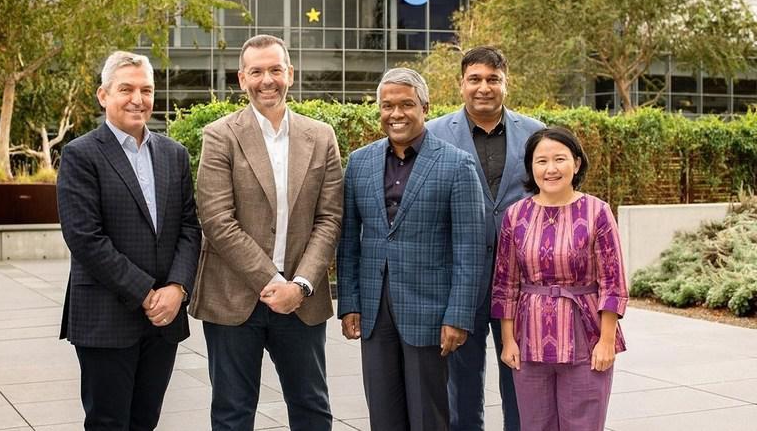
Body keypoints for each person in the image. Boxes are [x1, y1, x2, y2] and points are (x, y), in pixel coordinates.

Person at [189, 35, 343, 431]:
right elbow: (217, 220)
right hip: (233, 298)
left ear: (290, 74)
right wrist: (273, 281)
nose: (266, 80)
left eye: (275, 69)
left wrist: (300, 285)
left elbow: (329, 218)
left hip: (301, 300)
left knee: (312, 409)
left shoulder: (321, 136)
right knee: (232, 412)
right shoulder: (220, 135)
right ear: (242, 79)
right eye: (256, 71)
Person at [57, 51, 201, 430]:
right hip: (106, 315)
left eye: (146, 89)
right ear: (103, 95)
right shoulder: (80, 154)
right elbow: (85, 238)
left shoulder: (174, 154)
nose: (138, 99)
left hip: (164, 318)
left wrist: (177, 288)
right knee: (108, 422)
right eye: (126, 89)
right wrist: (146, 293)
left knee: (146, 421)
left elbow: (190, 227)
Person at [337, 67, 486, 431]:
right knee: (383, 416)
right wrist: (350, 302)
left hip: (431, 313)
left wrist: (458, 316)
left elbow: (470, 249)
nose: (396, 113)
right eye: (387, 106)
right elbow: (349, 241)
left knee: (428, 417)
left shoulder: (457, 164)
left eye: (406, 104)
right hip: (374, 311)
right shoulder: (359, 163)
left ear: (425, 107)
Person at [427, 45, 543, 431]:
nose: (484, 87)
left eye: (493, 79)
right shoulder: (433, 134)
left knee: (521, 375)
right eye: (475, 79)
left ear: (506, 84)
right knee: (460, 383)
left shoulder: (535, 132)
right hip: (460, 277)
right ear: (461, 84)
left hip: (521, 280)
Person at [491, 127, 628, 431]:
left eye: (559, 159)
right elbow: (505, 283)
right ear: (530, 167)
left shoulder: (597, 212)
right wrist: (508, 340)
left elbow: (613, 282)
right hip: (529, 339)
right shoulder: (515, 216)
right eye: (541, 161)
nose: (550, 169)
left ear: (576, 163)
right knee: (534, 425)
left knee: (584, 424)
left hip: (588, 336)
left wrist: (606, 341)